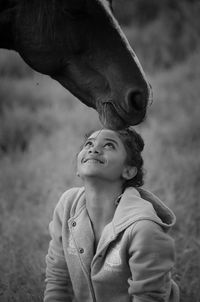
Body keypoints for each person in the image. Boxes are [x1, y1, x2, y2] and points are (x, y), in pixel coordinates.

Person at [44, 127, 179, 302]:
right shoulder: (67, 204)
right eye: (89, 144)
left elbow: (148, 297)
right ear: (78, 167)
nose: (93, 149)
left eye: (109, 145)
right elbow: (58, 278)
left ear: (129, 171)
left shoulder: (144, 228)